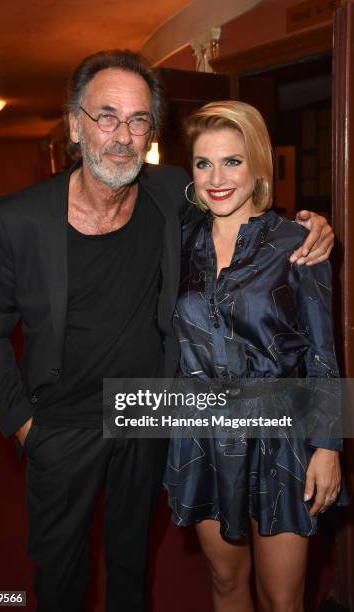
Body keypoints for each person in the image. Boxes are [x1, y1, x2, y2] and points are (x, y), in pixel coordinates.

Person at [0, 49, 333, 612]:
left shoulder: (168, 195)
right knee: (61, 578)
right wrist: (22, 424)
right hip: (62, 423)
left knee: (132, 567)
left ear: (150, 134)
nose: (122, 135)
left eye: (138, 120)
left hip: (151, 415)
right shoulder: (16, 218)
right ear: (74, 125)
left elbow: (245, 206)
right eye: (106, 116)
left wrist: (314, 224)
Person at [163, 100, 346, 612]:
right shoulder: (176, 243)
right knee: (225, 581)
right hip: (201, 431)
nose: (217, 178)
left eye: (233, 161)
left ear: (259, 165)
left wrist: (328, 447)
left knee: (282, 599)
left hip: (280, 435)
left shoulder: (298, 242)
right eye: (204, 163)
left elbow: (321, 352)